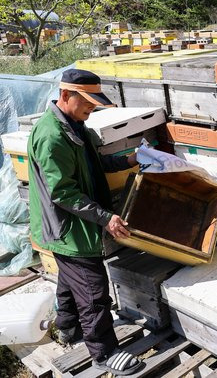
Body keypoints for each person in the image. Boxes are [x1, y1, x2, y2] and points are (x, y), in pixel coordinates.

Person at [27, 69, 143, 376]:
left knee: (69, 278)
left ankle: (67, 327)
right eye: (87, 105)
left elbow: (97, 163)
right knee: (92, 290)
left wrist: (130, 160)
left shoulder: (76, 125)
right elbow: (62, 193)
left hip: (76, 223)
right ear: (66, 96)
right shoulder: (52, 136)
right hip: (66, 227)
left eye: (94, 106)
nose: (91, 112)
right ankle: (104, 352)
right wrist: (105, 218)